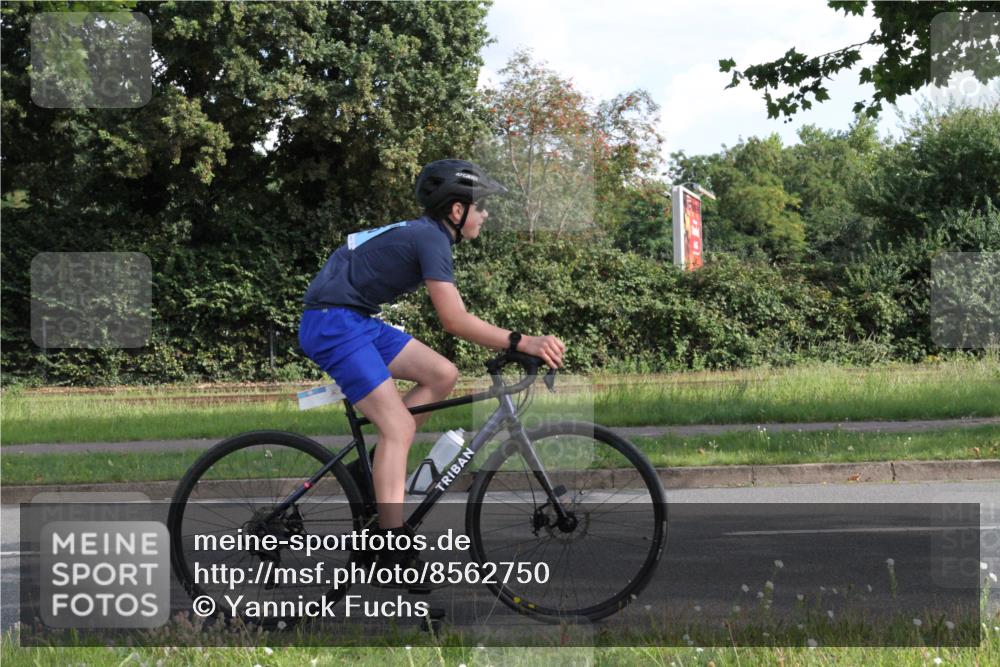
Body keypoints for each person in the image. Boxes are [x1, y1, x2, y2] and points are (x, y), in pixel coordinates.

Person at [298, 159, 565, 580]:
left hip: (354, 319)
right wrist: (521, 341)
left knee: (442, 374)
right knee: (399, 428)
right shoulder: (431, 239)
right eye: (479, 207)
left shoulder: (426, 235)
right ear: (456, 211)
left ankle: (372, 470)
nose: (485, 214)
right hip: (334, 322)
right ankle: (390, 544)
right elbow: (454, 320)